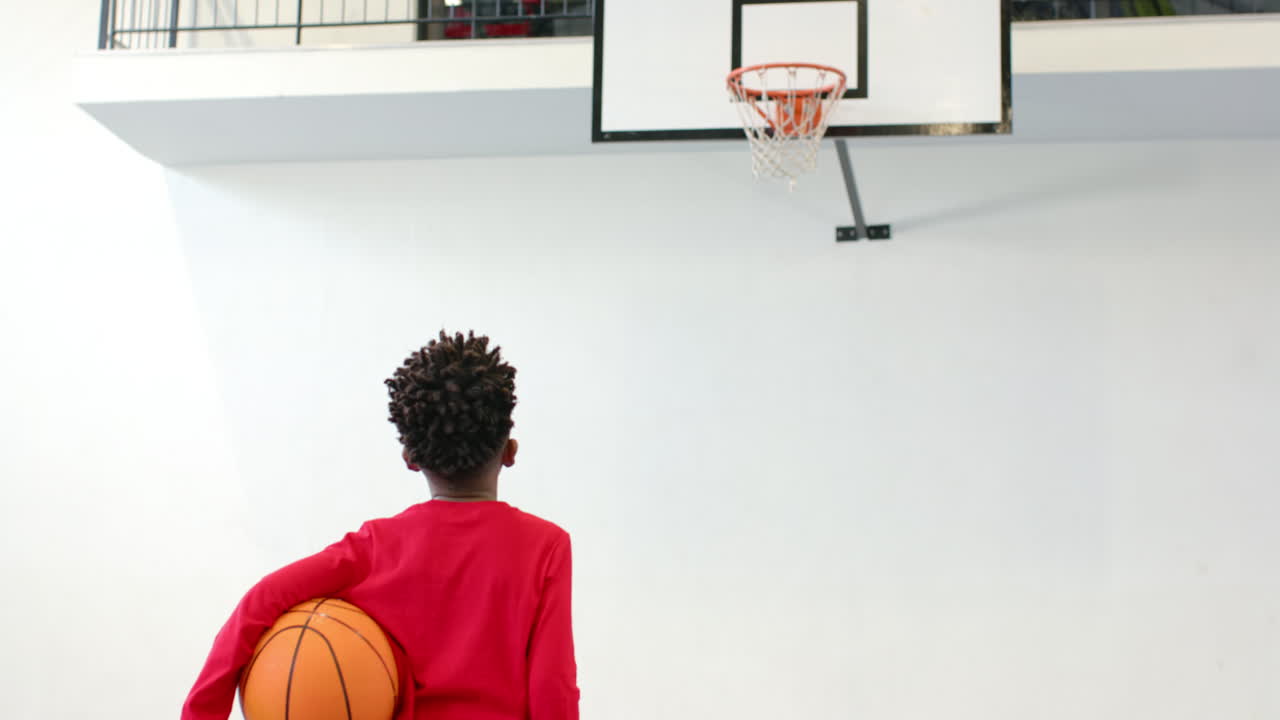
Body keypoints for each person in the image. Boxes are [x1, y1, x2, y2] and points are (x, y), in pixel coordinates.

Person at [181, 331, 580, 720]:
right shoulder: (546, 547)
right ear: (510, 451)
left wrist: (203, 712)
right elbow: (552, 686)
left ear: (410, 457)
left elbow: (260, 602)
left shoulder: (374, 548)